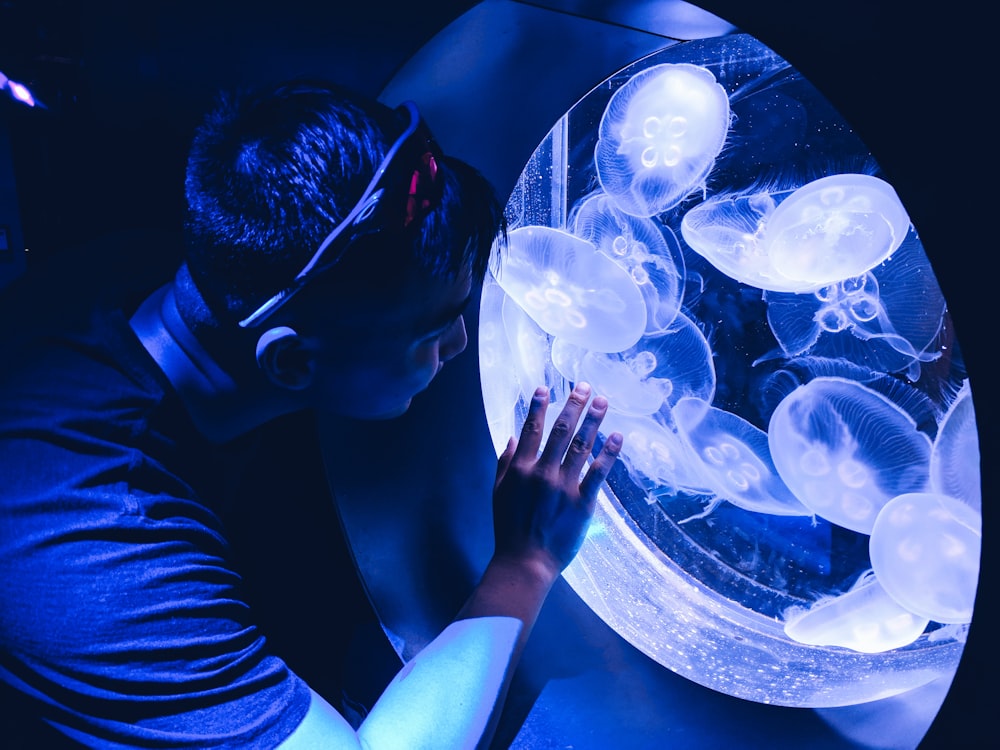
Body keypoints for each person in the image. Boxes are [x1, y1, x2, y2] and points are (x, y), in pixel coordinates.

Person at [0, 78, 622, 747]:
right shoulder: (101, 550)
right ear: (291, 364)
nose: (461, 343)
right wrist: (523, 564)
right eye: (432, 332)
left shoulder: (139, 267)